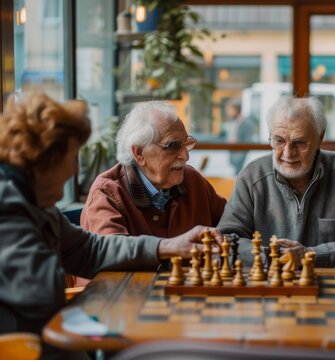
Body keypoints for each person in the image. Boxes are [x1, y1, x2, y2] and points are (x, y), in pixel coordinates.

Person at [0, 93, 223, 359]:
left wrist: (168, 246)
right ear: (42, 161)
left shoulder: (34, 204)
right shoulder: (11, 210)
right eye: (72, 158)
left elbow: (88, 248)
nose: (74, 171)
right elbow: (41, 294)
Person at [218, 95, 335, 267]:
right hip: (267, 287)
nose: (287, 153)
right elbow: (225, 239)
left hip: (329, 287)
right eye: (279, 141)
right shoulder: (252, 176)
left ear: (319, 139)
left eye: (299, 143)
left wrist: (311, 255)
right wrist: (274, 257)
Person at [81, 101, 226, 237]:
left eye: (186, 144)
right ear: (139, 153)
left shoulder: (193, 180)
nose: (185, 155)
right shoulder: (107, 194)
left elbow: (234, 223)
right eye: (172, 146)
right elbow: (114, 257)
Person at [224, 97, 257, 174]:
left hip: (240, 158)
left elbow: (248, 142)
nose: (227, 112)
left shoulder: (246, 123)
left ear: (235, 109)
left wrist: (240, 157)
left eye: (229, 109)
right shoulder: (233, 122)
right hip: (233, 157)